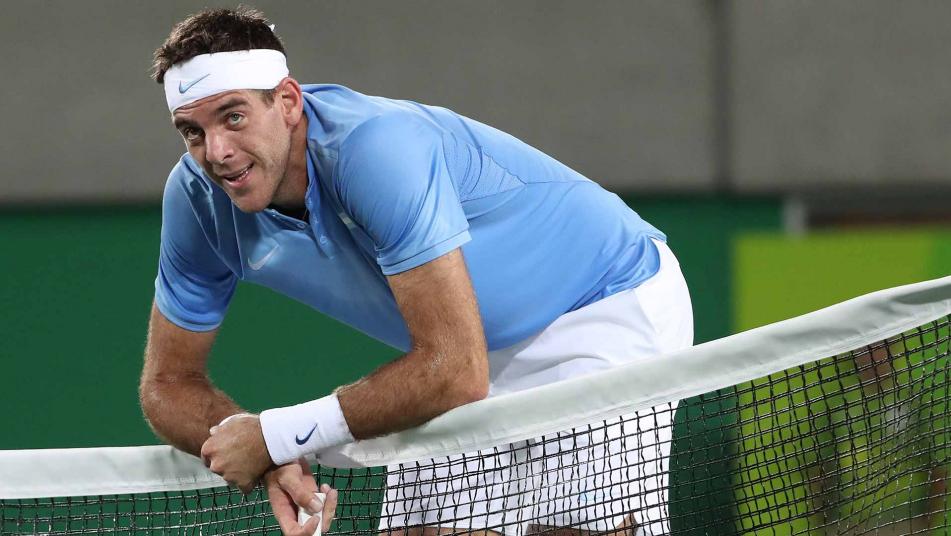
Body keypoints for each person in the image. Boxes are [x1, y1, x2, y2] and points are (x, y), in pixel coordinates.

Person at [139, 7, 693, 536]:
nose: (217, 152)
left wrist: (278, 436)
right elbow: (166, 385)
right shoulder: (196, 200)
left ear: (286, 101)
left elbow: (455, 372)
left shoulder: (373, 148)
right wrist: (267, 458)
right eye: (191, 131)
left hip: (600, 303)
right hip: (462, 349)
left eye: (233, 116)